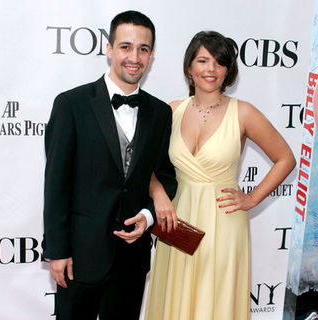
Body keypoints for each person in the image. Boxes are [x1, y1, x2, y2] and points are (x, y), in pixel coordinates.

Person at [144, 31, 296, 320]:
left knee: (214, 300)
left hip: (223, 222)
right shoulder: (172, 111)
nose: (210, 69)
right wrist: (158, 193)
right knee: (175, 295)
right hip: (177, 220)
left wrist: (252, 197)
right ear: (189, 67)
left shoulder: (244, 113)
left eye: (219, 62)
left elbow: (285, 158)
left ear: (228, 70)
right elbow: (144, 164)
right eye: (202, 60)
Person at [42, 10, 177, 320]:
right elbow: (56, 185)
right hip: (80, 254)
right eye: (126, 47)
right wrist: (58, 251)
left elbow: (164, 177)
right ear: (109, 49)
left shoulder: (160, 113)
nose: (134, 57)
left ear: (152, 55)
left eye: (143, 49)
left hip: (131, 259)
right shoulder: (71, 105)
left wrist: (147, 216)